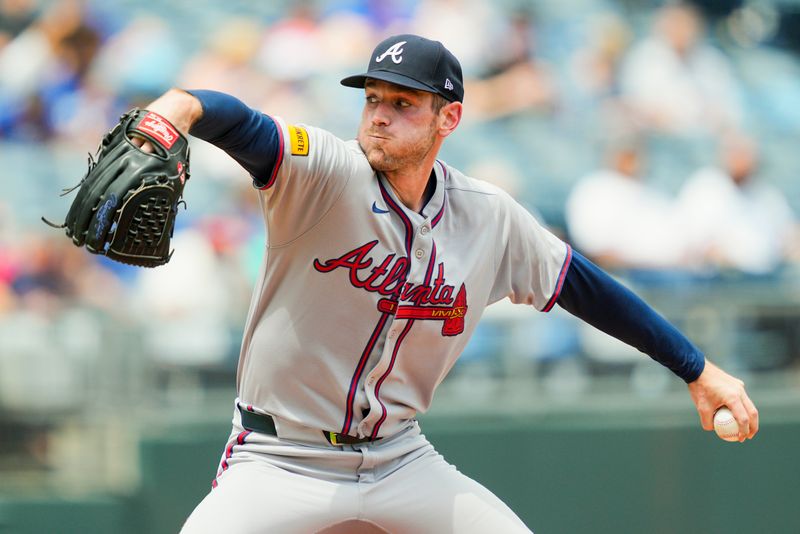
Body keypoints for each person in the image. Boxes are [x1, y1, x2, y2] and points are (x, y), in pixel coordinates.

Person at [134, 34, 757, 533]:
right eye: (372, 99)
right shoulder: (322, 172)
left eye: (402, 104)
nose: (379, 116)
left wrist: (698, 370)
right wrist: (181, 107)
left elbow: (589, 290)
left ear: (448, 117)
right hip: (279, 458)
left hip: (398, 459)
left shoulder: (487, 215)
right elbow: (243, 125)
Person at [677, 133, 797, 274]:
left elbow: (789, 232)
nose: (743, 159)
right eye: (737, 153)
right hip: (717, 280)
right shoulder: (705, 186)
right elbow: (690, 241)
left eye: (747, 154)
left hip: (764, 278)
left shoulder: (766, 194)